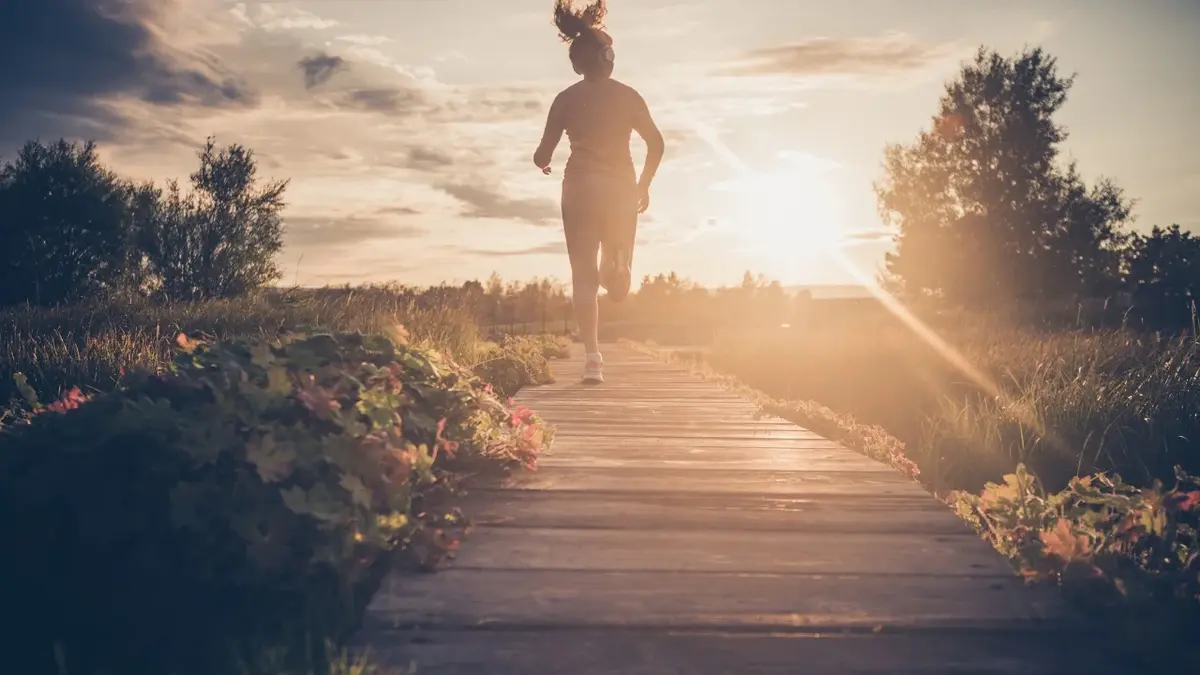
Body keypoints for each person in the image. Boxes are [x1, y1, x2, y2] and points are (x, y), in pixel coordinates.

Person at [533, 0, 665, 384]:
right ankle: (619, 262)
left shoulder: (565, 99)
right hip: (622, 188)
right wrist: (644, 184)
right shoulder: (628, 96)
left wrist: (541, 161)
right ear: (609, 58)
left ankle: (592, 358)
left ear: (577, 64)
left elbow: (543, 152)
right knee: (617, 287)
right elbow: (656, 144)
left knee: (583, 276)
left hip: (579, 190)